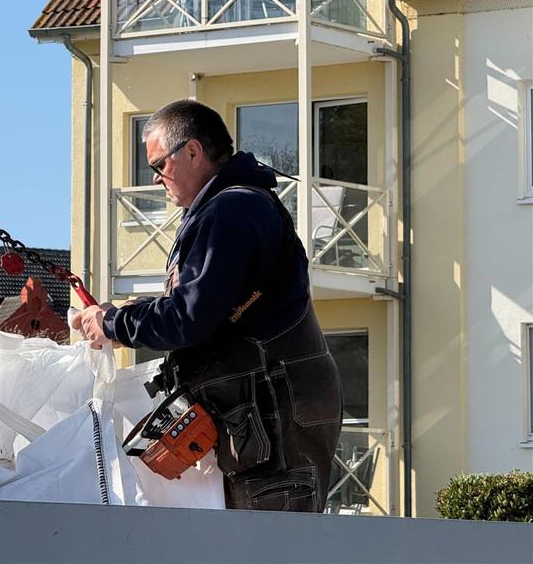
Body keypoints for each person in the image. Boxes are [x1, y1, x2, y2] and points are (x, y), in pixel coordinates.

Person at [71, 99, 342, 512]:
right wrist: (128, 314)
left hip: (274, 416)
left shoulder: (231, 211)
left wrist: (114, 323)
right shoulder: (233, 207)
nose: (157, 179)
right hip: (267, 412)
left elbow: (189, 318)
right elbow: (206, 305)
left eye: (159, 165)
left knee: (273, 549)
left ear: (193, 152)